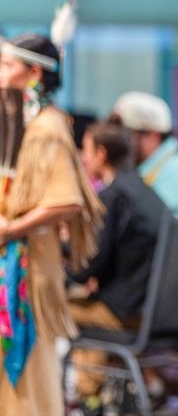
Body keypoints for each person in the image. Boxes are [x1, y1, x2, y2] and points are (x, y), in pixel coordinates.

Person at [0, 34, 103, 416]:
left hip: (28, 269)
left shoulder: (47, 127)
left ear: (34, 73)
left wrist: (12, 229)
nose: (1, 73)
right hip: (18, 261)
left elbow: (67, 200)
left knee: (27, 363)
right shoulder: (28, 121)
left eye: (8, 65)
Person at [68, 121, 167, 398]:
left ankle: (84, 395)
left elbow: (91, 264)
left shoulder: (113, 197)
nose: (82, 157)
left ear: (101, 154)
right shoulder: (146, 193)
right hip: (153, 308)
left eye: (85, 150)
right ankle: (91, 392)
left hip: (126, 313)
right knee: (87, 302)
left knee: (49, 307)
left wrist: (61, 273)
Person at [111, 91, 178, 218]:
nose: (117, 143)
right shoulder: (167, 167)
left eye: (125, 136)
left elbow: (172, 234)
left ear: (152, 136)